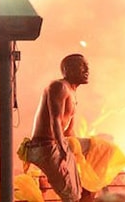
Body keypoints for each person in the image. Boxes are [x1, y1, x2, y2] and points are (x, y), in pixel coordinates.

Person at [19, 54, 90, 202]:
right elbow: (55, 120)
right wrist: (63, 149)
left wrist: (81, 153)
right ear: (68, 70)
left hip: (58, 143)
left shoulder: (72, 92)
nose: (87, 69)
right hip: (46, 146)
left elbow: (69, 131)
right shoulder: (59, 86)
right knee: (71, 195)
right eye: (82, 65)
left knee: (100, 149)